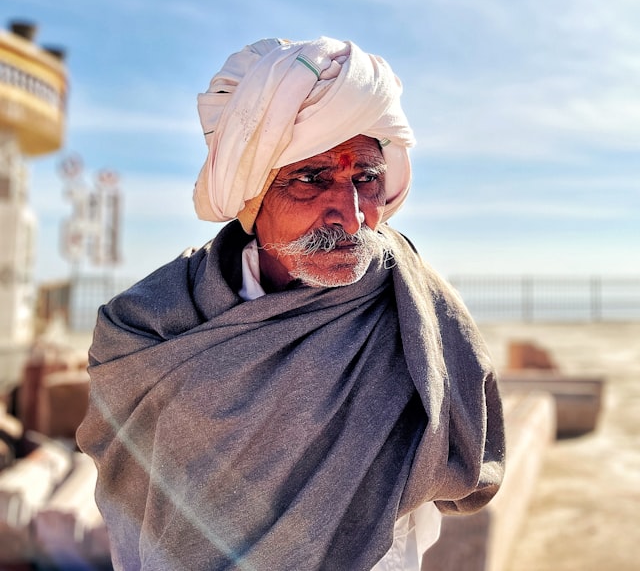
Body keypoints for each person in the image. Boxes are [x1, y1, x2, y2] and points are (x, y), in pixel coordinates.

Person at [77, 37, 506, 571]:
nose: (350, 217)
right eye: (311, 179)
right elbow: (136, 494)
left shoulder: (411, 303)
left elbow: (467, 460)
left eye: (365, 179)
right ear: (252, 197)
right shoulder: (146, 329)